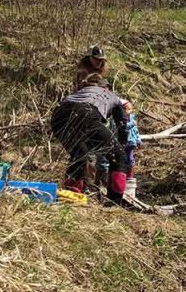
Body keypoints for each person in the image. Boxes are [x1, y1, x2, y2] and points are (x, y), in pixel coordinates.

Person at [50, 74, 130, 203]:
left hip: (58, 115)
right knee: (118, 156)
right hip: (85, 112)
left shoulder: (82, 92)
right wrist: (121, 146)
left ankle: (72, 196)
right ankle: (114, 202)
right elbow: (123, 125)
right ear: (108, 88)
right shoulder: (113, 97)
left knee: (80, 154)